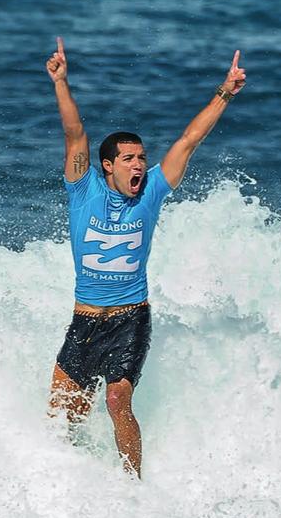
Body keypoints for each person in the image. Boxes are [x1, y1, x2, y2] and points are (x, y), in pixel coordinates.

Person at [45, 37, 246, 477]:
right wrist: (61, 82)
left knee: (117, 398)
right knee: (64, 416)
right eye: (129, 159)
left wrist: (225, 92)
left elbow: (190, 140)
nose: (139, 165)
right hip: (84, 320)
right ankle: (73, 480)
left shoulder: (152, 191)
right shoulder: (83, 191)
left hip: (130, 318)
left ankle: (132, 485)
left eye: (142, 158)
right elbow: (74, 134)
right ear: (107, 166)